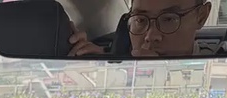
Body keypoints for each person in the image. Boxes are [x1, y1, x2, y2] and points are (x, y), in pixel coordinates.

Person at [68, 0, 213, 57]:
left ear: (201, 16)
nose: (150, 36)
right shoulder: (113, 66)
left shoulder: (218, 66)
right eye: (140, 20)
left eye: (169, 19)